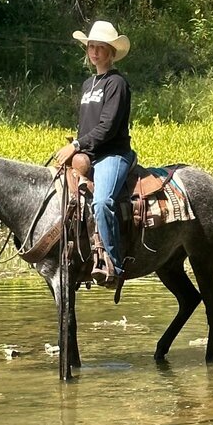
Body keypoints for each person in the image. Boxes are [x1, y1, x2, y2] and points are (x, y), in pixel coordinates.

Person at [55, 20, 134, 284]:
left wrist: (76, 145)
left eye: (101, 47)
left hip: (114, 154)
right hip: (89, 154)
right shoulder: (88, 84)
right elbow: (88, 126)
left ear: (111, 52)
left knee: (101, 202)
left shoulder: (116, 83)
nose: (95, 52)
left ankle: (114, 264)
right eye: (91, 46)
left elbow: (108, 128)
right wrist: (77, 148)